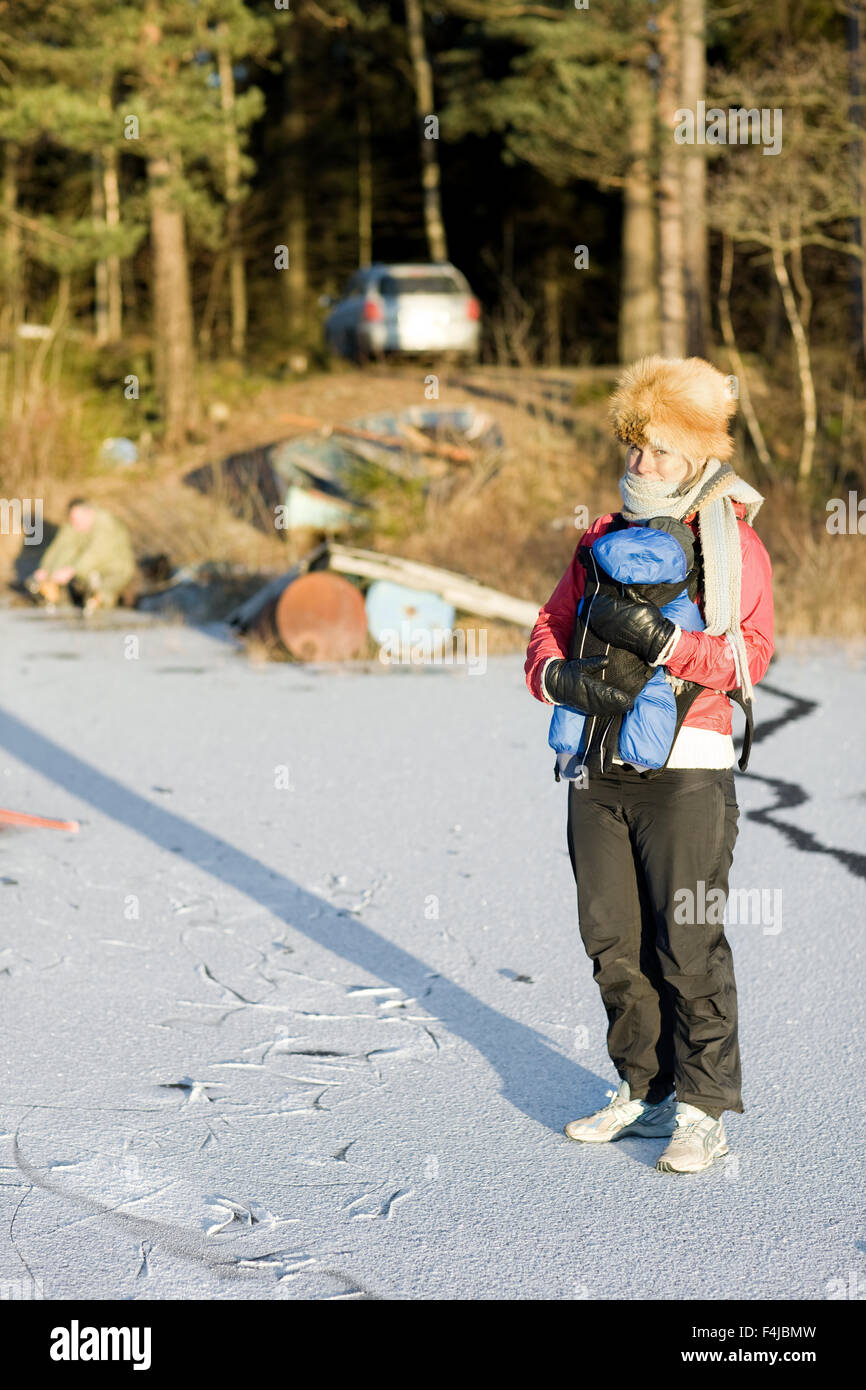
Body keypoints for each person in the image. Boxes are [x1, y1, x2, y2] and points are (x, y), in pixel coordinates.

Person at [525, 355, 774, 1175]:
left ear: (700, 453)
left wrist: (672, 643)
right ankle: (647, 1087)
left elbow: (753, 654)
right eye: (635, 446)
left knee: (689, 942)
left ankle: (704, 1109)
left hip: (690, 770)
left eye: (661, 449)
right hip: (595, 770)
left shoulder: (733, 545)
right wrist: (551, 674)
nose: (643, 464)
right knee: (613, 942)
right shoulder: (598, 538)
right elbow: (549, 625)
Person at [32, 498, 136, 612]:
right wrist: (47, 569)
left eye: (79, 519)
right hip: (87, 572)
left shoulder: (106, 524)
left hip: (115, 570)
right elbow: (60, 547)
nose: (76, 523)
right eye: (73, 519)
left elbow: (95, 554)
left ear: (90, 513)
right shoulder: (74, 525)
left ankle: (101, 609)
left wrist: (72, 570)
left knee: (101, 593)